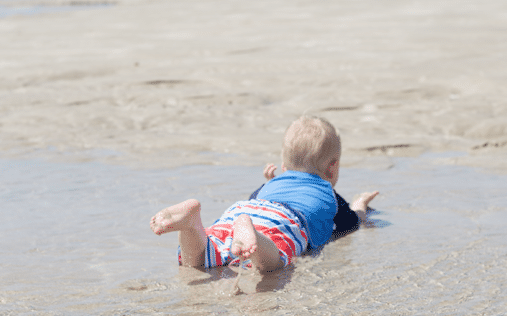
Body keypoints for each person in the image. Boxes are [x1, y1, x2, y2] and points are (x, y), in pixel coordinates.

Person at [150, 115, 378, 273]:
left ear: (284, 165)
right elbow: (350, 223)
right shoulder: (328, 193)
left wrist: (270, 183)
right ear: (332, 167)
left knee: (201, 258)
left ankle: (192, 225)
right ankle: (256, 238)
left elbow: (259, 203)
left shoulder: (271, 185)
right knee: (273, 261)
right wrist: (360, 205)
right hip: (279, 220)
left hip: (243, 210)